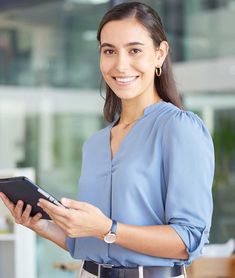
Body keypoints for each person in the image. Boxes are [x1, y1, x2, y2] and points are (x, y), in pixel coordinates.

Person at [0, 2, 214, 278]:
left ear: (160, 54)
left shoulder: (179, 129)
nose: (120, 64)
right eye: (109, 51)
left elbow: (189, 240)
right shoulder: (96, 143)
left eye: (134, 50)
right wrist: (43, 227)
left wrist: (107, 228)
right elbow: (91, 242)